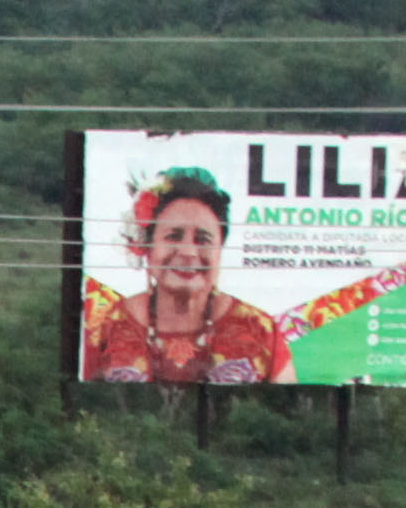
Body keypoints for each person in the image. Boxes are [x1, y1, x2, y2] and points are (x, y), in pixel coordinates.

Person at [81, 161, 293, 383]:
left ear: (220, 249)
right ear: (148, 246)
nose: (188, 252)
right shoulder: (103, 330)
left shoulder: (261, 331)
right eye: (173, 236)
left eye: (203, 239)